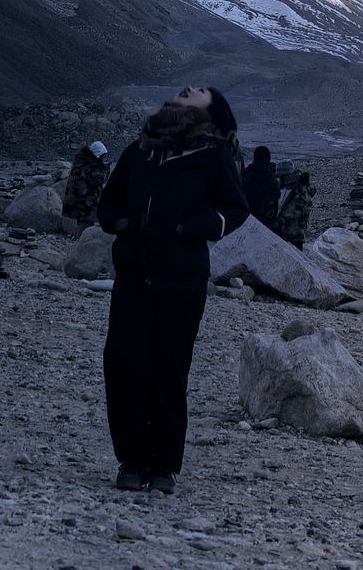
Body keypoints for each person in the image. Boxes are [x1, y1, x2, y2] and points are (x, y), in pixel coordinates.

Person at [97, 86, 248, 495]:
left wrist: (202, 226)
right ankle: (131, 459)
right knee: (124, 364)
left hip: (182, 279)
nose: (192, 89)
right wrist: (120, 225)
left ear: (211, 111)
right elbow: (109, 202)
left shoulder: (211, 152)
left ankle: (163, 466)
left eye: (202, 92)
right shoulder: (141, 149)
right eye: (190, 87)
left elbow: (236, 207)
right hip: (133, 276)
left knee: (169, 368)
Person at [62, 141, 110, 231]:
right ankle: (81, 244)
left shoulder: (83, 162)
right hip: (83, 204)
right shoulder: (88, 165)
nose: (103, 158)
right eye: (102, 156)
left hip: (81, 203)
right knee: (85, 228)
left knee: (84, 226)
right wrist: (105, 169)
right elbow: (99, 179)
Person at [274, 171, 315, 250]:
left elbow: (290, 213)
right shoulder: (306, 193)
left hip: (291, 232)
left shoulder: (299, 194)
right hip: (298, 233)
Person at [243, 146, 280, 228]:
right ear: (268, 159)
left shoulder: (245, 173)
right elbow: (277, 195)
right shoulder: (269, 177)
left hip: (244, 216)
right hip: (263, 218)